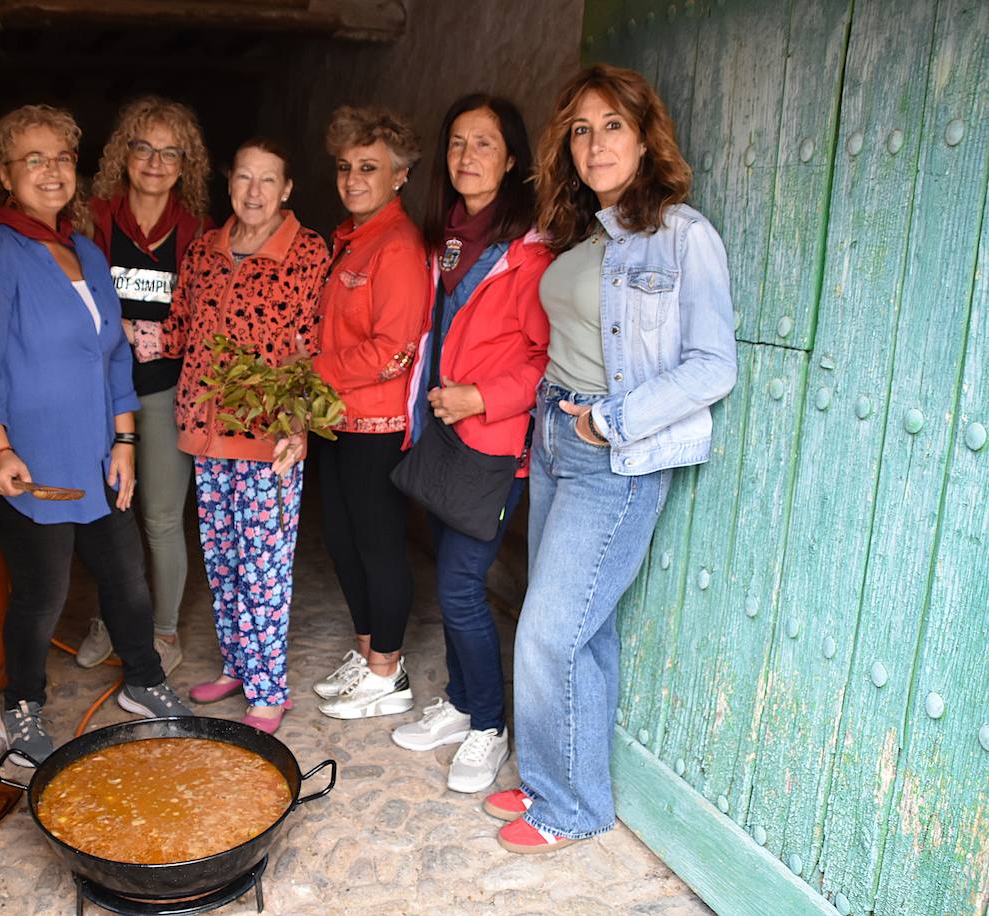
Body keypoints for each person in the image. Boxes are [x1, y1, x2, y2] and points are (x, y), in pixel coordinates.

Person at [488, 64, 737, 854]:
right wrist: (559, 422)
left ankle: (566, 812)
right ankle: (565, 789)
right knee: (585, 637)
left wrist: (611, 421)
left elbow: (712, 365)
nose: (595, 142)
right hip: (555, 435)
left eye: (613, 126)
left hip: (615, 456)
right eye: (582, 129)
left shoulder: (684, 235)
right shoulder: (586, 231)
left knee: (548, 633)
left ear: (645, 136)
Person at [0, 104, 191, 765]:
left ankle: (143, 680)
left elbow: (113, 357)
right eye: (34, 159)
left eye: (62, 158)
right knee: (43, 592)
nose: (52, 171)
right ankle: (20, 704)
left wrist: (128, 444)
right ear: (3, 174)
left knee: (126, 577)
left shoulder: (82, 250)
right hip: (33, 463)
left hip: (96, 454)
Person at [135, 138, 328, 735]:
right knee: (222, 561)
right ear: (230, 184)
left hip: (269, 436)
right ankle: (239, 666)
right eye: (243, 177)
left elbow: (311, 347)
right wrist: (134, 334)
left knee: (264, 564)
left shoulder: (307, 252)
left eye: (267, 180)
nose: (253, 192)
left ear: (287, 189)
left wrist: (299, 424)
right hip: (204, 430)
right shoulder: (205, 251)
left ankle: (269, 692)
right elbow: (182, 329)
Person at [389, 94, 551, 794]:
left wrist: (481, 397)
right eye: (457, 142)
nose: (467, 156)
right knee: (452, 583)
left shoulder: (530, 254)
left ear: (511, 159)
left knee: (458, 588)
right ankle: (459, 704)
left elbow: (547, 359)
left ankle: (488, 723)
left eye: (484, 144)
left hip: (493, 444)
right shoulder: (444, 241)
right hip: (440, 435)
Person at [81, 96, 213, 677]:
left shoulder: (200, 233)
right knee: (103, 515)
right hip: (94, 393)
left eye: (170, 152)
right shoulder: (94, 218)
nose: (155, 162)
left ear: (186, 164)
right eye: (143, 148)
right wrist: (120, 326)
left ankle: (162, 631)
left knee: (160, 518)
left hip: (163, 391)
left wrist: (165, 335)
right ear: (123, 155)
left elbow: (211, 318)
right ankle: (109, 621)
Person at [307, 106, 428, 720]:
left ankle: (390, 669)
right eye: (346, 167)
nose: (354, 179)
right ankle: (365, 652)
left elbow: (394, 350)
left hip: (376, 423)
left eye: (369, 168)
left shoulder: (398, 246)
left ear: (399, 174)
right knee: (344, 541)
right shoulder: (349, 239)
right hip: (336, 420)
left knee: (378, 545)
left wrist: (311, 375)